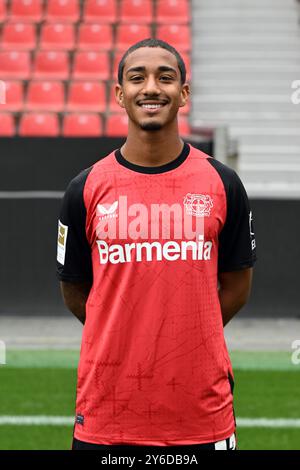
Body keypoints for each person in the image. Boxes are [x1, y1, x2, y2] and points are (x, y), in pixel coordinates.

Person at [56, 38, 257, 452]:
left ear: (183, 93)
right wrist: (127, 333)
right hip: (107, 415)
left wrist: (184, 338)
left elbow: (237, 287)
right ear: (119, 94)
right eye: (137, 78)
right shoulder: (85, 188)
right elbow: (76, 292)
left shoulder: (223, 183)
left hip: (201, 417)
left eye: (165, 78)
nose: (151, 88)